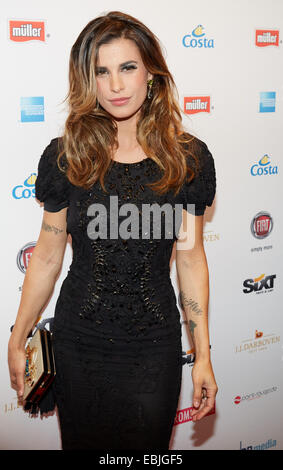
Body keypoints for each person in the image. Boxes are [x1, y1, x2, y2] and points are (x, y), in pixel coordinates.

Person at [8, 10, 218, 450]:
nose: (116, 85)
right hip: (77, 342)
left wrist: (203, 353)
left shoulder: (187, 159)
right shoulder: (69, 156)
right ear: (89, 80)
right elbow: (47, 255)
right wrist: (18, 333)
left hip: (153, 346)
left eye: (127, 68)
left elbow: (190, 256)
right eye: (101, 72)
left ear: (152, 74)